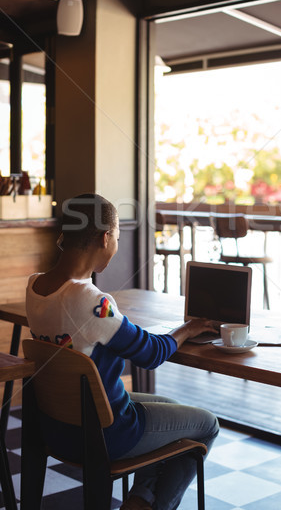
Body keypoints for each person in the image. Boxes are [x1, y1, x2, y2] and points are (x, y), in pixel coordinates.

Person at [25, 193, 219, 510]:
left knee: (168, 405)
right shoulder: (91, 300)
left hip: (58, 427)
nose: (115, 244)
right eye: (116, 236)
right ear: (105, 238)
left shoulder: (35, 287)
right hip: (107, 432)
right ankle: (147, 505)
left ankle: (140, 499)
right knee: (207, 425)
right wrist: (187, 330)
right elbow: (151, 354)